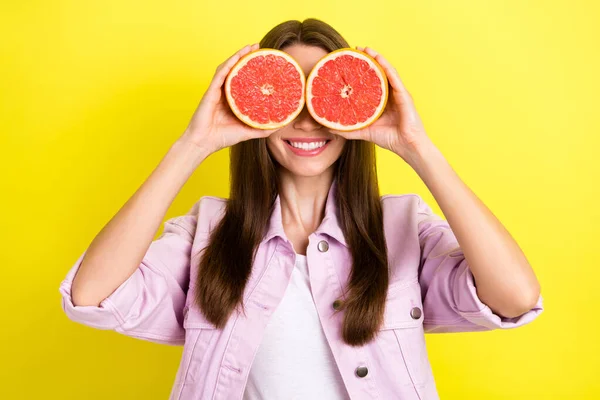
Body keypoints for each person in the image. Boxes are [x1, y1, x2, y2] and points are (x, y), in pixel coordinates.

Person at [58, 18, 544, 400]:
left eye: (328, 96)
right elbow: (93, 295)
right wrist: (193, 144)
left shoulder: (403, 229)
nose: (309, 121)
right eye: (286, 98)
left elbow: (515, 297)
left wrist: (416, 146)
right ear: (257, 113)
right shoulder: (206, 233)